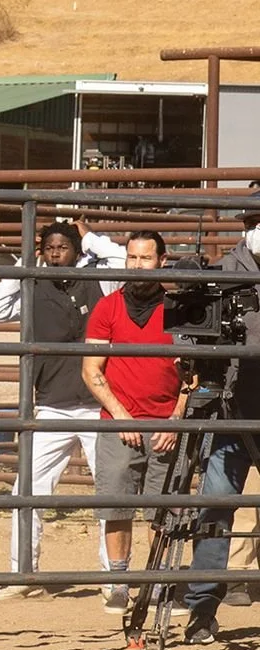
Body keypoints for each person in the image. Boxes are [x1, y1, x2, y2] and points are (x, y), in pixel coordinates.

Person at [0, 221, 117, 599]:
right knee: (28, 490)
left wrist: (92, 238)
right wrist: (24, 266)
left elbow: (124, 260)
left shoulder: (102, 281)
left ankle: (114, 578)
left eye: (63, 247)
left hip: (97, 405)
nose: (55, 253)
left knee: (110, 492)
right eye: (48, 248)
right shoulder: (33, 285)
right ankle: (22, 574)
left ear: (78, 251)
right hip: (52, 405)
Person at [82, 230, 185, 616]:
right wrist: (120, 415)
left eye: (145, 258)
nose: (138, 266)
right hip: (119, 421)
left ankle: (157, 584)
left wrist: (175, 418)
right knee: (117, 504)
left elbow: (191, 372)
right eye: (132, 258)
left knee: (162, 508)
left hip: (165, 422)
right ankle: (119, 581)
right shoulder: (108, 307)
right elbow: (91, 370)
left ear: (161, 260)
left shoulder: (178, 307)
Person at [184, 206, 260, 643]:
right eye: (252, 223)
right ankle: (201, 606)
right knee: (215, 504)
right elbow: (193, 326)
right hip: (230, 406)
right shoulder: (222, 272)